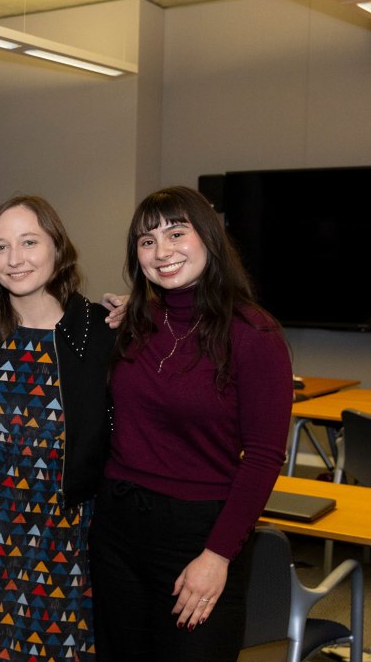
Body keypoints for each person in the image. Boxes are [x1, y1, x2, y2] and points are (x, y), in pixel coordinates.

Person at [88, 186, 292, 662]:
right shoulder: (133, 323)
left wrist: (218, 555)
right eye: (146, 241)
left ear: (210, 239)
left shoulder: (254, 335)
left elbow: (264, 456)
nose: (162, 252)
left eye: (176, 233)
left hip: (198, 535)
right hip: (116, 527)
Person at [0, 196, 114, 661]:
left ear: (57, 247)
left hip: (61, 533)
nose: (15, 259)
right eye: (0, 247)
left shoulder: (100, 331)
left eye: (29, 242)